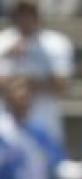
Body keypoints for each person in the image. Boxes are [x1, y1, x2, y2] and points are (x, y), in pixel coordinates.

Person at [0, 0, 73, 142]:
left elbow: (62, 85)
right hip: (7, 127)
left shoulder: (56, 42)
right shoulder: (3, 41)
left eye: (29, 13)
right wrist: (7, 55)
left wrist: (24, 83)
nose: (24, 18)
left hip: (45, 122)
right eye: (21, 13)